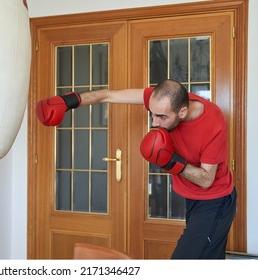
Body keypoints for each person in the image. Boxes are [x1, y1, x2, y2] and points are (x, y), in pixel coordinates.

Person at [36, 79, 236, 259]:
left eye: (161, 117)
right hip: (192, 199)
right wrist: (70, 101)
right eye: (152, 113)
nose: (154, 123)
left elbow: (206, 179)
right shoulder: (162, 100)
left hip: (215, 201)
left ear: (182, 112)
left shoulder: (213, 123)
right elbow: (108, 95)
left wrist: (169, 161)